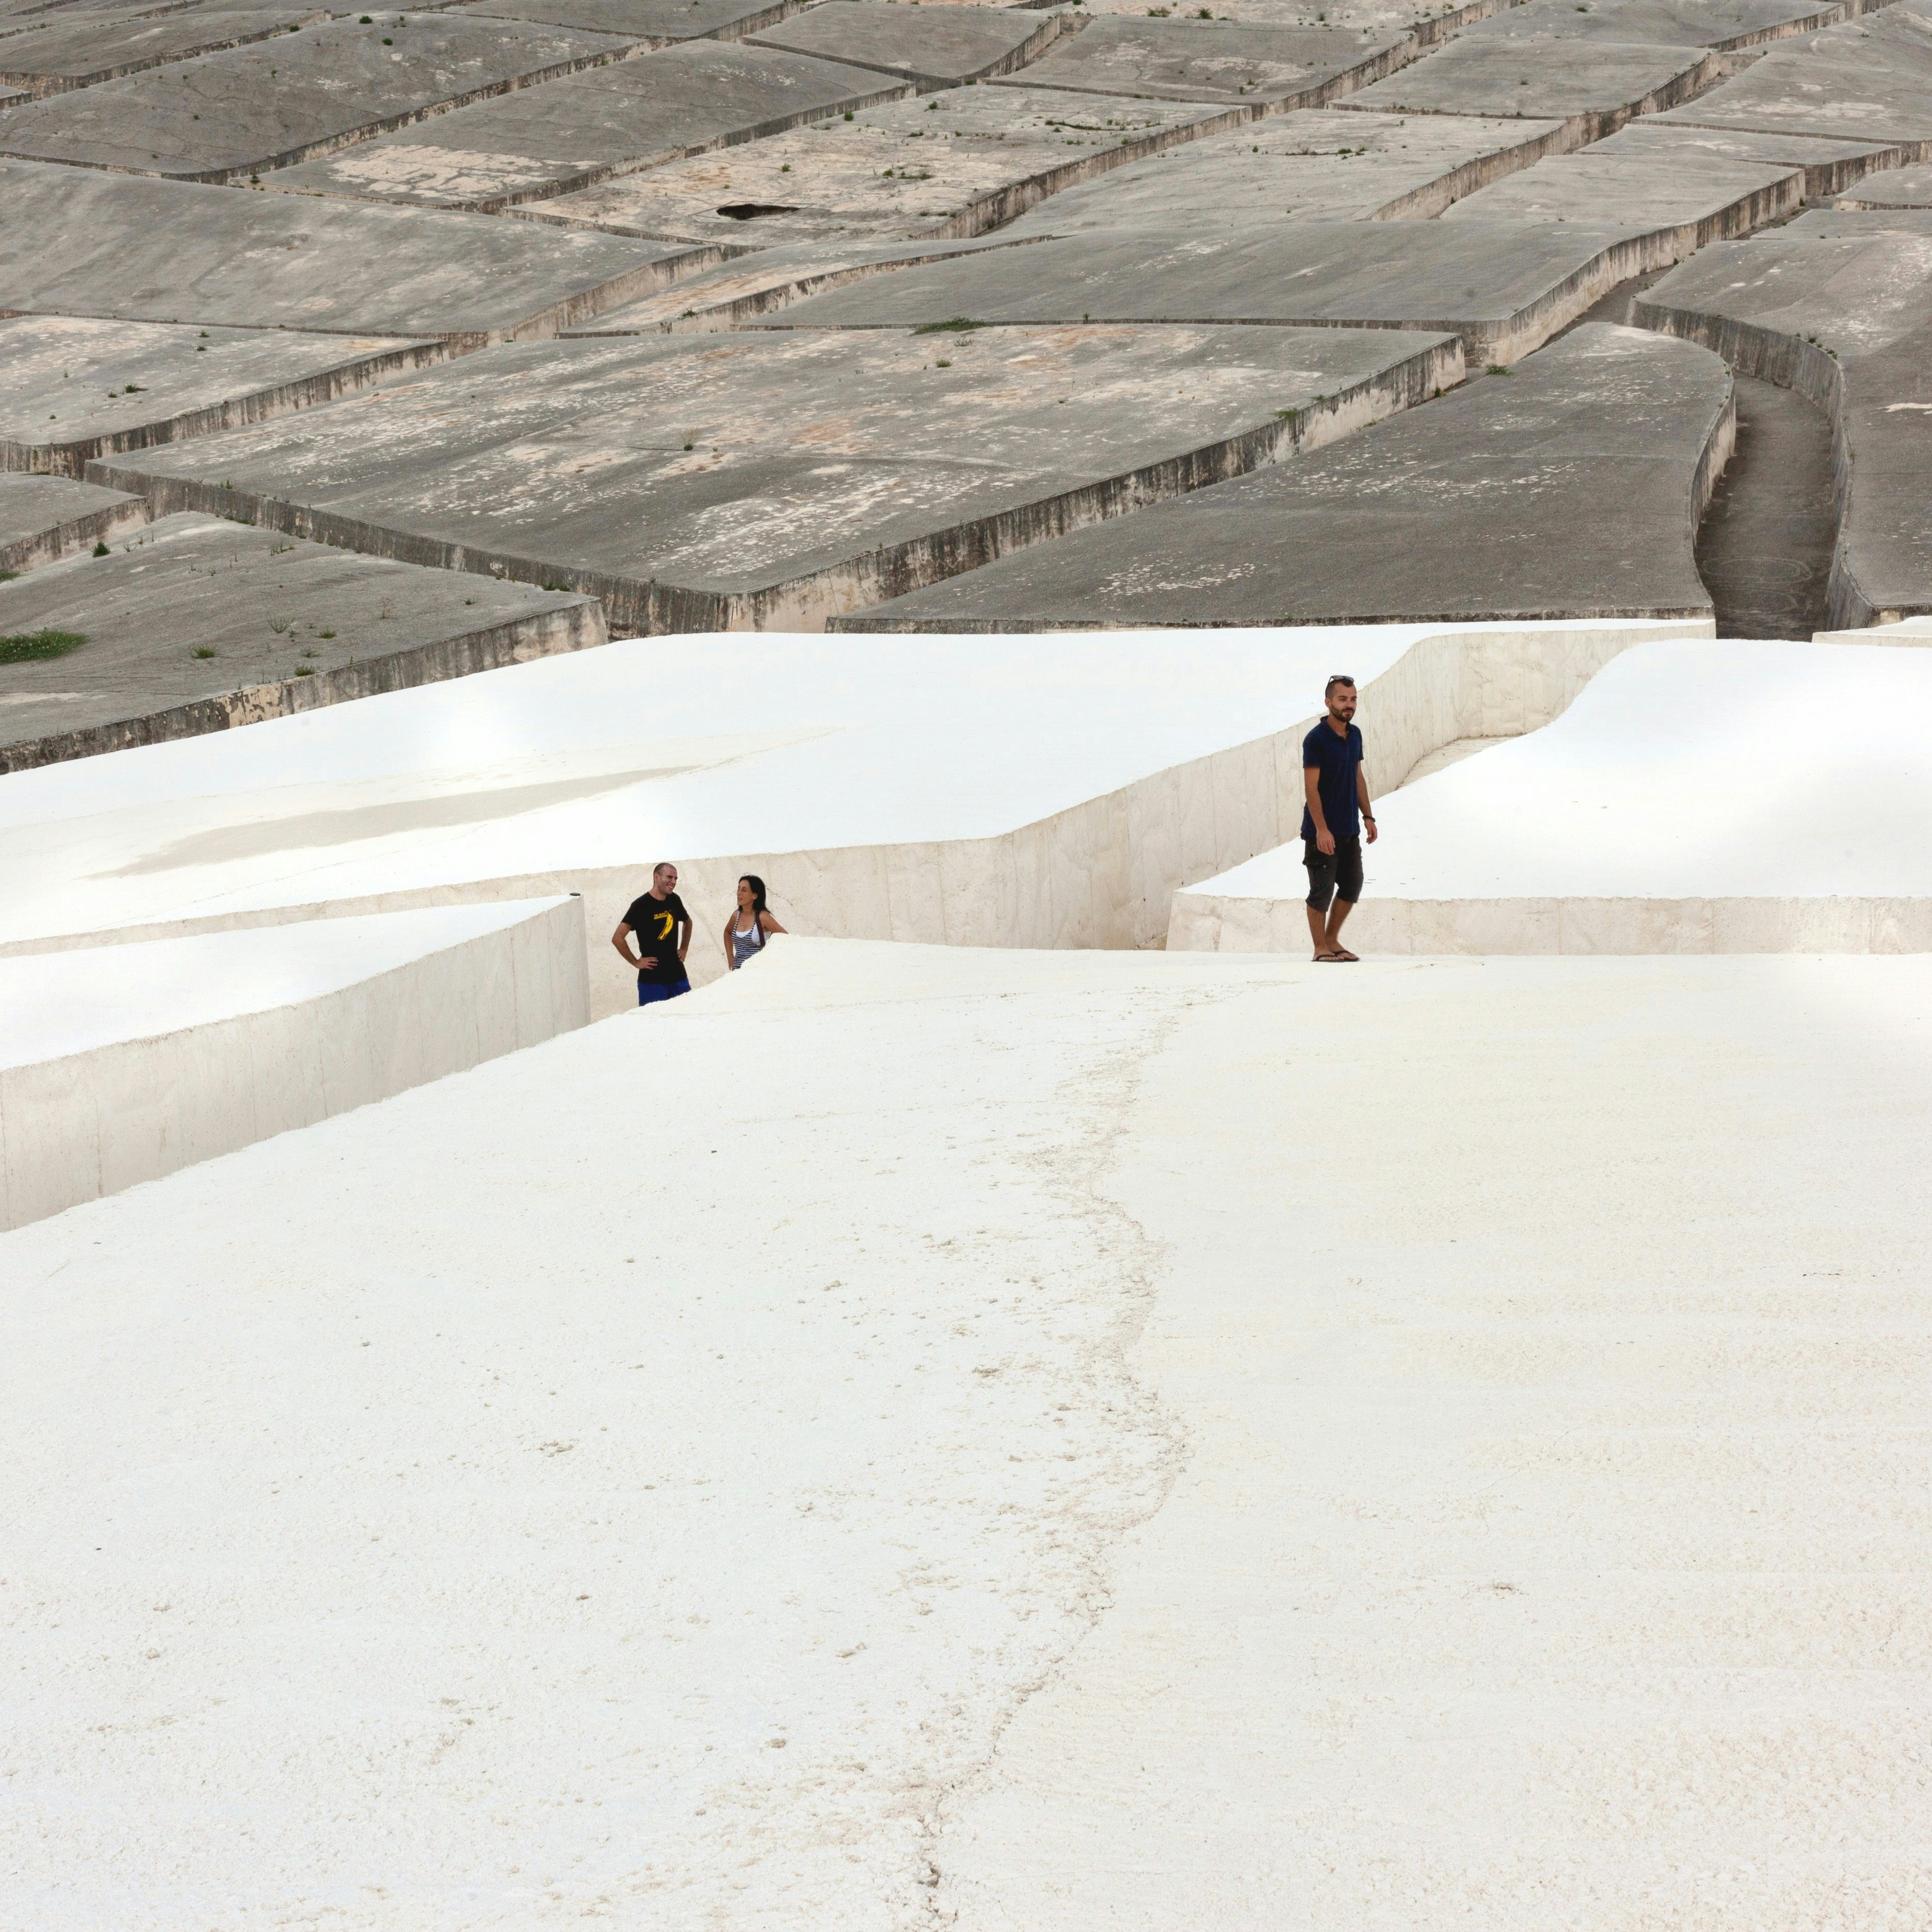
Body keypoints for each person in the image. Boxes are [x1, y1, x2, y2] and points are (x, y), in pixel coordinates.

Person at [1302, 675, 1378, 962]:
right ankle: (1319, 946)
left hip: (1350, 829)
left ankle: (1332, 940)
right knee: (1321, 890)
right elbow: (1311, 788)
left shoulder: (1355, 734)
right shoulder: (1316, 740)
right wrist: (1321, 830)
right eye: (1343, 699)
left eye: (1353, 699)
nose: (1349, 705)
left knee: (1352, 884)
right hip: (1321, 831)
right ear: (1328, 702)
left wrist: (1368, 816)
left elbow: (1358, 777)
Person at [612, 862, 692, 1006]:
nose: (673, 882)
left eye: (676, 879)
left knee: (687, 1019)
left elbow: (688, 922)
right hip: (652, 981)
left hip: (678, 976)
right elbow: (618, 938)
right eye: (669, 877)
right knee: (653, 1025)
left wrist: (684, 948)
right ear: (657, 877)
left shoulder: (675, 900)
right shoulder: (640, 905)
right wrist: (636, 962)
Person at [722, 874, 785, 970]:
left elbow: (785, 937)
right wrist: (730, 957)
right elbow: (728, 932)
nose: (739, 893)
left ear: (755, 896)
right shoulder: (736, 915)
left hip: (758, 972)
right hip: (738, 972)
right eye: (738, 889)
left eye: (744, 890)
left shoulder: (763, 917)